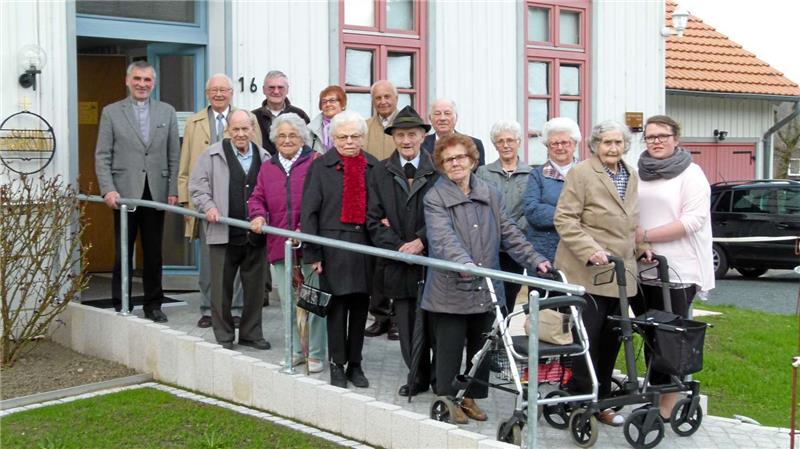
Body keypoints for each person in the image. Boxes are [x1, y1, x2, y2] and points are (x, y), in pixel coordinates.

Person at [422, 134, 550, 424]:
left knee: (483, 347)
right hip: (451, 288)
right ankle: (447, 398)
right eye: (448, 159)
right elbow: (443, 240)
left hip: (486, 286)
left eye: (460, 157)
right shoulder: (435, 198)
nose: (455, 163)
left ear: (472, 160)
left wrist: (537, 261)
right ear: (441, 165)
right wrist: (465, 264)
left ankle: (469, 397)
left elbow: (510, 232)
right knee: (450, 348)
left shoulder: (490, 193)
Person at [554, 120, 651, 427]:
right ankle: (582, 398)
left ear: (625, 145)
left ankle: (603, 399)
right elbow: (565, 219)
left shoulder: (630, 174)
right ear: (595, 146)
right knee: (588, 338)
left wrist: (642, 246)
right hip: (588, 271)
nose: (613, 148)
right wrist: (589, 249)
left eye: (618, 143)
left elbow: (630, 219)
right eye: (607, 143)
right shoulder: (581, 173)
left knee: (612, 340)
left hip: (620, 274)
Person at [633, 114, 715, 420]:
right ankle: (656, 393)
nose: (656, 142)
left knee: (671, 335)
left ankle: (668, 403)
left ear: (676, 139)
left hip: (679, 268)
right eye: (650, 136)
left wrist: (646, 236)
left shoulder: (691, 174)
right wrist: (638, 243)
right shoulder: (639, 172)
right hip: (642, 266)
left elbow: (694, 220)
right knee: (650, 335)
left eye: (662, 136)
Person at [94, 60, 179, 323]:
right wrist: (107, 189)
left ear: (153, 83)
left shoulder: (166, 111)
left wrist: (173, 189)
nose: (142, 84)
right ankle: (123, 303)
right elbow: (102, 155)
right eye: (138, 79)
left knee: (154, 252)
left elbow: (174, 155)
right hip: (123, 194)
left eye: (147, 80)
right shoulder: (111, 112)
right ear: (128, 81)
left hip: (156, 192)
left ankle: (154, 304)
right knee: (123, 251)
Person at [301, 110, 378, 388]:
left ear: (363, 137)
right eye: (342, 136)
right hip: (332, 247)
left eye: (354, 136)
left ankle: (355, 365)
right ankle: (337, 363)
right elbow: (309, 212)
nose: (348, 141)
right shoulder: (319, 167)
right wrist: (313, 253)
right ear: (332, 138)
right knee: (336, 308)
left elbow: (379, 210)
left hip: (364, 248)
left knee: (359, 308)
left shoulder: (372, 165)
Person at [366, 106, 438, 397]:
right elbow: (373, 219)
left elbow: (444, 216)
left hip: (431, 260)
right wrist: (399, 246)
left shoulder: (438, 171)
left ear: (422, 136)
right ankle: (416, 376)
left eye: (412, 134)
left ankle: (439, 377)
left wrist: (421, 240)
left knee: (436, 323)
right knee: (406, 323)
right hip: (398, 261)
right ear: (393, 138)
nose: (406, 140)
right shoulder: (380, 172)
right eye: (400, 135)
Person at [248, 113, 328, 373]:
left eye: (292, 135)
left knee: (312, 302)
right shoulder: (268, 166)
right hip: (279, 245)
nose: (287, 140)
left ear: (302, 137)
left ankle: (315, 353)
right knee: (288, 304)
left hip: (309, 246)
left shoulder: (315, 162)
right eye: (281, 135)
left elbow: (323, 202)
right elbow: (257, 197)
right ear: (274, 139)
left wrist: (304, 229)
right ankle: (294, 351)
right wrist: (258, 215)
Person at [178, 73, 259, 329]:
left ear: (231, 93)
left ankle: (234, 309)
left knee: (235, 258)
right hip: (205, 203)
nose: (219, 94)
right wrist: (185, 202)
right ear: (207, 93)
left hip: (236, 201)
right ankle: (207, 308)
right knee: (209, 261)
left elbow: (255, 160)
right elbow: (185, 163)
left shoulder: (246, 119)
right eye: (214, 90)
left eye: (224, 89)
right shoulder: (194, 121)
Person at [188, 110, 270, 351]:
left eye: (245, 129)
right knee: (221, 288)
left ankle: (251, 334)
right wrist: (209, 207)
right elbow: (197, 188)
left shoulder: (264, 157)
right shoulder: (211, 155)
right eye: (236, 129)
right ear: (228, 130)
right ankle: (224, 335)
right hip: (222, 232)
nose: (241, 134)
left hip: (255, 234)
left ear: (253, 130)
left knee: (254, 290)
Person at [476, 120, 532, 315]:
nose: (506, 145)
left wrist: (514, 231)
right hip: (489, 245)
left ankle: (502, 337)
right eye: (500, 141)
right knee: (488, 292)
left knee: (510, 292)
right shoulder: (483, 173)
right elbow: (479, 206)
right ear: (494, 145)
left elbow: (530, 209)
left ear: (518, 142)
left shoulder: (531, 174)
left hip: (515, 247)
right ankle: (488, 335)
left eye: (510, 140)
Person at [363, 80, 400, 339]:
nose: (383, 102)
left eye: (388, 96)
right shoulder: (365, 128)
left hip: (400, 205)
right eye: (378, 98)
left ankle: (398, 318)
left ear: (396, 98)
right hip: (374, 203)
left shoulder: (406, 126)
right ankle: (380, 316)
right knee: (376, 266)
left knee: (398, 266)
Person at [522, 117, 582, 263]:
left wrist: (552, 211)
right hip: (545, 251)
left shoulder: (586, 173)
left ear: (574, 144)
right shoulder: (537, 175)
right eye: (554, 143)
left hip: (579, 248)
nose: (560, 147)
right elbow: (532, 211)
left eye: (565, 142)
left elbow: (594, 210)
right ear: (547, 147)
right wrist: (572, 216)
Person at [252, 70, 310, 156]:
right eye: (271, 87)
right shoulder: (253, 117)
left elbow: (307, 145)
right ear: (264, 90)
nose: (276, 91)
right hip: (262, 167)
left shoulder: (300, 115)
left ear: (287, 90)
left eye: (280, 87)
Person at [421, 98, 485, 167]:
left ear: (456, 117)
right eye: (437, 114)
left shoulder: (475, 144)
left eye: (447, 113)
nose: (442, 118)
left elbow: (479, 175)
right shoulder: (420, 145)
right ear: (430, 118)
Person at [309, 85, 346, 154]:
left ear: (342, 103)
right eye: (324, 101)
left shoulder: (353, 126)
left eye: (332, 100)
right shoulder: (310, 129)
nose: (328, 104)